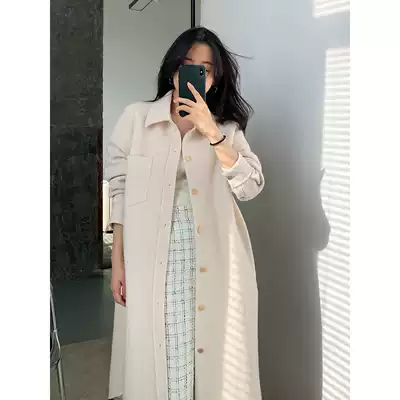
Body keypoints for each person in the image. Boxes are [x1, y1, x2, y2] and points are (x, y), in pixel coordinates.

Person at [106, 26, 265, 400]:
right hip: (153, 260)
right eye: (187, 64)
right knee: (162, 356)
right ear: (173, 69)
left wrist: (211, 131)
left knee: (207, 357)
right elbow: (121, 192)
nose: (194, 75)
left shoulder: (225, 129)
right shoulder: (135, 119)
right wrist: (118, 262)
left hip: (210, 259)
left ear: (215, 79)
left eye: (205, 70)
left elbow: (251, 187)